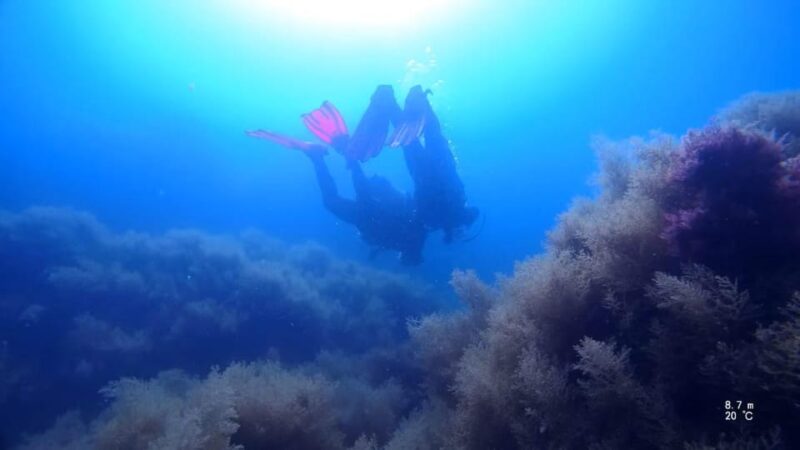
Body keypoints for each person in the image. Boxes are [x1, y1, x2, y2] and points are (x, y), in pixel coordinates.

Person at [247, 86, 427, 264]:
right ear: (412, 255)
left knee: (332, 201)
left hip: (366, 216)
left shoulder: (405, 242)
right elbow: (400, 216)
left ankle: (319, 157)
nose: (401, 259)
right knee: (349, 191)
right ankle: (343, 155)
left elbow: (387, 231)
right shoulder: (411, 238)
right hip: (372, 210)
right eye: (406, 260)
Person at [391, 85, 480, 242]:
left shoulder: (446, 219)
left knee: (428, 134)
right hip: (427, 173)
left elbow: (474, 213)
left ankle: (415, 99)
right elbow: (473, 213)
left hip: (439, 168)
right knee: (411, 140)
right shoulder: (436, 222)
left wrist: (458, 226)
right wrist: (452, 229)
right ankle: (393, 103)